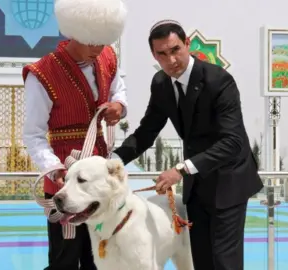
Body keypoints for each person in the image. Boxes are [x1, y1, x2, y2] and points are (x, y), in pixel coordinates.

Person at [112, 20, 264, 270]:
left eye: (175, 50)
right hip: (198, 186)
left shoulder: (219, 81)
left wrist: (180, 170)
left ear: (187, 44)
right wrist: (112, 162)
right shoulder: (160, 83)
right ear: (154, 55)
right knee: (201, 261)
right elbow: (146, 132)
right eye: (162, 54)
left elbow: (232, 142)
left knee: (224, 263)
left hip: (229, 181)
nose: (170, 60)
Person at [22, 0, 128, 269]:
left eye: (103, 40)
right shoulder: (42, 73)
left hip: (98, 181)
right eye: (91, 40)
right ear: (72, 30)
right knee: (64, 258)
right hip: (63, 180)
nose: (97, 48)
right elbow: (33, 135)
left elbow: (119, 89)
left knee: (101, 257)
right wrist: (54, 168)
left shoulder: (108, 58)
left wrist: (119, 106)